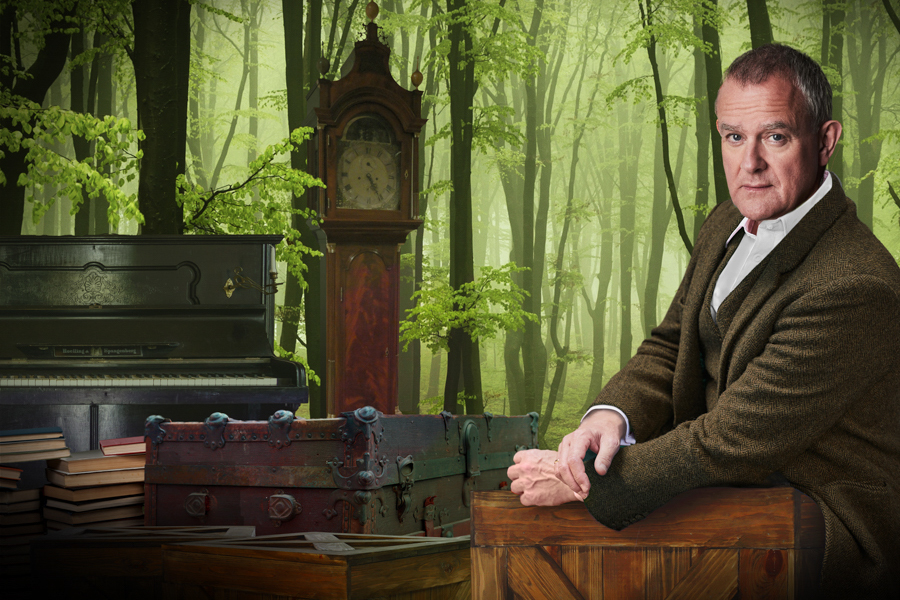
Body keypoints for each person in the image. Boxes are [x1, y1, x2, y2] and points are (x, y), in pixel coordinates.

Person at [508, 43, 900, 598]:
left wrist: (586, 485)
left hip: (830, 526)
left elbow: (731, 438)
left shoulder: (856, 285)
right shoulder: (725, 222)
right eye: (734, 137)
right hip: (732, 488)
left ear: (826, 141)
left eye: (776, 136)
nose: (750, 163)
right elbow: (672, 344)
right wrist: (608, 419)